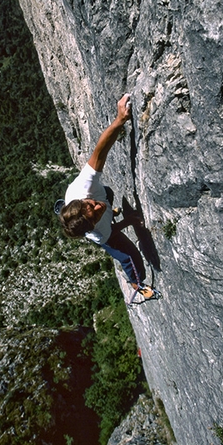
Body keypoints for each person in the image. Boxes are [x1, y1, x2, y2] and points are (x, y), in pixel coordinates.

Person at [58, 93, 155, 300]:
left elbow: (100, 151)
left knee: (108, 193)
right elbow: (112, 232)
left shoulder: (82, 188)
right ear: (92, 225)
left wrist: (120, 119)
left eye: (90, 205)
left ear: (81, 200)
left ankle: (68, 209)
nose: (98, 207)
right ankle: (137, 284)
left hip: (85, 204)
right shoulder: (98, 231)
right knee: (129, 256)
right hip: (104, 234)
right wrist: (127, 221)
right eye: (95, 215)